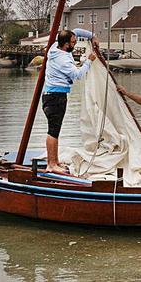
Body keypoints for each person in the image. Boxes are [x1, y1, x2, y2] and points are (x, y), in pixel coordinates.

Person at [42, 28, 97, 174]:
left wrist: (92, 36)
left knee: (55, 129)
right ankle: (51, 164)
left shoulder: (55, 46)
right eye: (73, 42)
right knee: (53, 130)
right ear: (66, 44)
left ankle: (54, 161)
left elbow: (77, 31)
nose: (75, 43)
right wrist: (89, 61)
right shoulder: (63, 59)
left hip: (52, 95)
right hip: (55, 97)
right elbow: (77, 75)